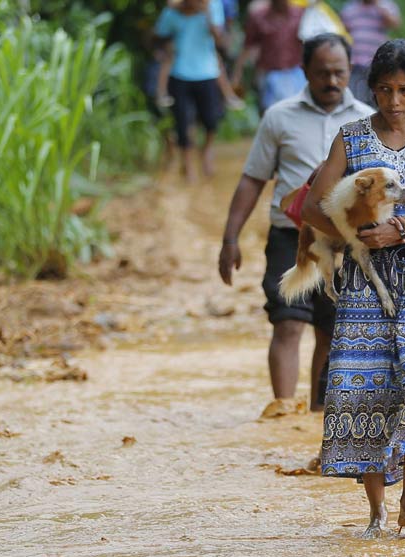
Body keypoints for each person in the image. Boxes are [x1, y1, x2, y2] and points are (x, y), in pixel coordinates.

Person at [302, 39, 405, 538]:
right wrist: (354, 230)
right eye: (384, 90)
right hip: (364, 286)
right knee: (362, 392)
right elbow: (312, 207)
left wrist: (404, 228)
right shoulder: (350, 138)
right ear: (371, 88)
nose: (394, 102)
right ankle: (376, 510)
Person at [218, 34, 371, 416]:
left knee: (332, 328)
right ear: (304, 71)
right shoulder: (279, 116)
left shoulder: (369, 120)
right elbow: (253, 178)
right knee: (287, 321)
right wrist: (230, 237)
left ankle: (319, 411)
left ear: (351, 71)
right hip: (291, 236)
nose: (332, 81)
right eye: (322, 73)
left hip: (347, 241)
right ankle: (284, 410)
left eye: (339, 73)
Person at [153, 0, 229, 179]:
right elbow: (158, 36)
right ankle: (187, 165)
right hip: (179, 73)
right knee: (183, 121)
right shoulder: (172, 12)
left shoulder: (213, 6)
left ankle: (206, 151)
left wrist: (207, 15)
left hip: (207, 72)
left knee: (211, 120)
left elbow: (220, 40)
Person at [233, 0, 306, 115]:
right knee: (271, 115)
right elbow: (247, 47)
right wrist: (237, 74)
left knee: (297, 115)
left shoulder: (301, 14)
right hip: (268, 74)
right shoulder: (258, 16)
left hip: (295, 73)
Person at [339, 0, 401, 107]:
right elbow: (341, 31)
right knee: (355, 99)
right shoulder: (350, 8)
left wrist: (378, 6)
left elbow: (395, 23)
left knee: (377, 100)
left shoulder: (386, 6)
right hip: (354, 63)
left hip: (377, 64)